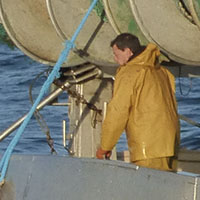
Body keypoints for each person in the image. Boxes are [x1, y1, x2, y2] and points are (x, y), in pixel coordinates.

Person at [96, 33, 180, 171]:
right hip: (170, 143)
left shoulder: (129, 72)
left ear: (128, 52)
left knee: (149, 188)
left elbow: (118, 111)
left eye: (117, 54)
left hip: (148, 147)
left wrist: (105, 146)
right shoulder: (162, 71)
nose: (115, 59)